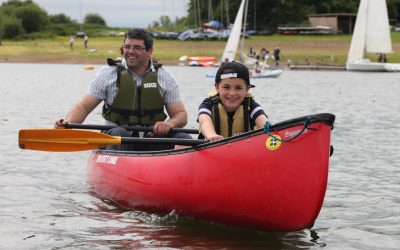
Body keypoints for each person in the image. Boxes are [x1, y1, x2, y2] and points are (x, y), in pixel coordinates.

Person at [55, 28, 191, 151]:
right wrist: (67, 123)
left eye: (137, 48)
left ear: (149, 51)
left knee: (185, 138)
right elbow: (83, 107)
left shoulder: (165, 78)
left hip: (151, 138)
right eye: (127, 47)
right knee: (119, 133)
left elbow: (181, 114)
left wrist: (169, 123)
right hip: (115, 138)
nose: (130, 51)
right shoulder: (107, 74)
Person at [197, 61, 268, 142]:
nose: (232, 93)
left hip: (245, 150)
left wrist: (270, 129)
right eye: (226, 87)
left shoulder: (251, 105)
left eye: (238, 88)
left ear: (247, 89)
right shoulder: (207, 104)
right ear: (217, 87)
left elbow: (264, 122)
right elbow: (204, 121)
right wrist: (211, 135)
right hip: (213, 150)